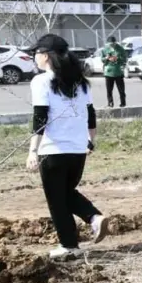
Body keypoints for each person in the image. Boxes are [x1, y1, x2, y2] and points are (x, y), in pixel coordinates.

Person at [25, 34, 108, 259]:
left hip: (52, 151)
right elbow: (91, 115)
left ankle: (69, 245)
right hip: (78, 150)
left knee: (57, 200)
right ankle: (94, 218)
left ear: (46, 56)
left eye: (36, 53)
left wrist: (33, 151)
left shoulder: (40, 81)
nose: (34, 57)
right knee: (65, 194)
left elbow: (40, 117)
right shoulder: (81, 82)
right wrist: (91, 140)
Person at [100, 35, 127, 108]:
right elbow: (102, 59)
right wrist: (107, 58)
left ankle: (123, 103)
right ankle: (110, 103)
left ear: (116, 42)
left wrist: (117, 58)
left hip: (118, 71)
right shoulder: (104, 49)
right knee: (109, 90)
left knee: (121, 89)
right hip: (108, 72)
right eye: (110, 44)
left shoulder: (120, 49)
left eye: (113, 43)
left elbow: (124, 59)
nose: (112, 45)